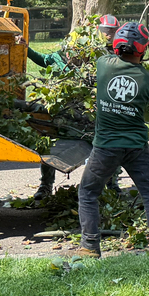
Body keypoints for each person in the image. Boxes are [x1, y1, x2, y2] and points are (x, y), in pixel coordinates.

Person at [76, 21, 149, 258]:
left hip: (105, 147)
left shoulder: (103, 66)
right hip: (136, 146)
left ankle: (90, 246)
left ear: (117, 46)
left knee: (88, 192)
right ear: (144, 49)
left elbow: (107, 53)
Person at [29, 14, 123, 200]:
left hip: (92, 111)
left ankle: (112, 184)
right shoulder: (59, 59)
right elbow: (42, 59)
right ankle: (45, 185)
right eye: (106, 32)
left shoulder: (107, 56)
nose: (108, 36)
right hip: (64, 111)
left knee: (111, 141)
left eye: (111, 32)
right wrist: (25, 48)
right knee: (50, 142)